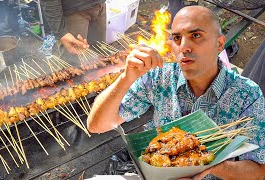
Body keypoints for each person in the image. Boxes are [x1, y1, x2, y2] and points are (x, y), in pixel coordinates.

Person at [87, 5, 265, 180]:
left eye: (196, 35)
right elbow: (97, 125)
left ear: (219, 43)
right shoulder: (159, 77)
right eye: (177, 38)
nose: (184, 47)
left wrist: (211, 165)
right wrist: (126, 77)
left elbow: (259, 170)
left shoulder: (246, 94)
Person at [40, 0, 106, 66]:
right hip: (72, 12)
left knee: (100, 58)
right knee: (73, 65)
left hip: (99, 5)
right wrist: (60, 31)